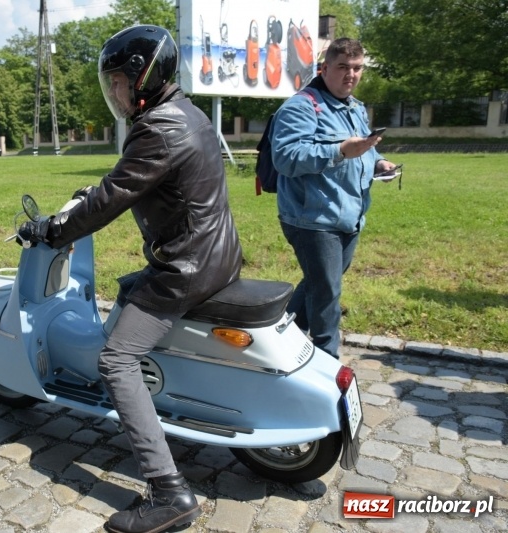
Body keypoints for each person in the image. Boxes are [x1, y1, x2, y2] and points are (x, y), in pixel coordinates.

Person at [20, 24, 242, 533]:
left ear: (143, 77)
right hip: (216, 255)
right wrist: (92, 194)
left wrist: (54, 229)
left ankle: (169, 492)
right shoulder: (183, 113)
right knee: (125, 290)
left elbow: (111, 200)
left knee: (115, 358)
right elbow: (129, 181)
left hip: (185, 268)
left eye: (118, 81)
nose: (114, 92)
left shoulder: (157, 129)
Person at [270, 38, 398, 358]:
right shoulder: (301, 106)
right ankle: (328, 363)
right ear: (324, 68)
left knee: (319, 282)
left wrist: (378, 161)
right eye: (342, 67)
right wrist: (339, 151)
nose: (351, 75)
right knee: (327, 292)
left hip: (350, 214)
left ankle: (280, 335)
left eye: (357, 68)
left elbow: (365, 147)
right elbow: (285, 157)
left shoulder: (355, 107)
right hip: (312, 218)